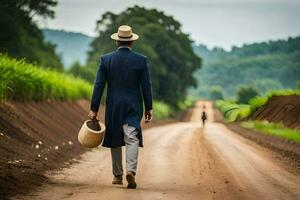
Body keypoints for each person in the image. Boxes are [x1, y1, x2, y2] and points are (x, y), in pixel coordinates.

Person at [88, 25, 153, 189]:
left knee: (115, 137)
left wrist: (94, 109)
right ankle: (131, 171)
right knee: (132, 137)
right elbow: (147, 86)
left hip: (114, 105)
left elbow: (98, 85)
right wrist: (148, 108)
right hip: (133, 105)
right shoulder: (141, 60)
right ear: (132, 42)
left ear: (117, 41)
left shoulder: (106, 59)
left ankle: (117, 175)